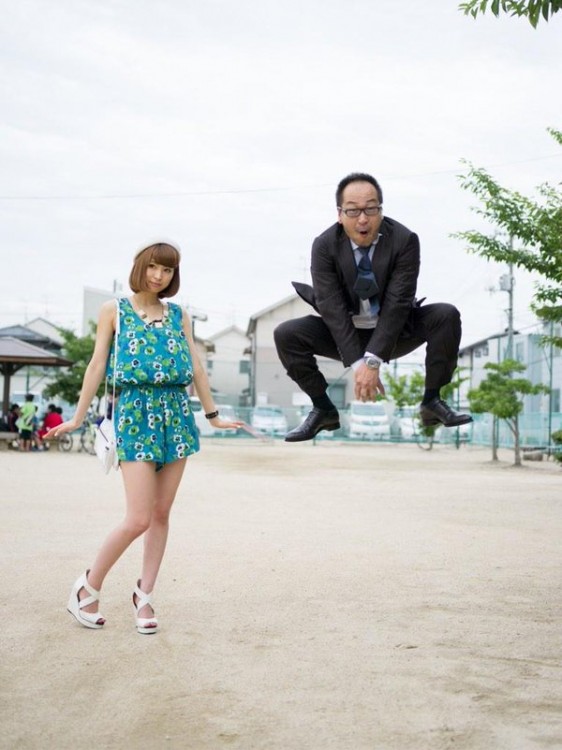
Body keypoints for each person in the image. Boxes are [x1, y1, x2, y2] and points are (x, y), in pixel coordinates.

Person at [45, 239, 242, 633]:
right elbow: (97, 364)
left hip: (176, 415)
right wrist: (78, 417)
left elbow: (197, 369)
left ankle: (145, 596)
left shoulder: (179, 315)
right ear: (140, 266)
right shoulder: (113, 310)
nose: (159, 275)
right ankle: (86, 587)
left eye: (167, 270)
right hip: (135, 415)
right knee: (137, 517)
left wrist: (213, 416)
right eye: (153, 267)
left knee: (161, 514)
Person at [274, 172, 472, 442]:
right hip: (345, 332)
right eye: (353, 211)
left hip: (395, 331)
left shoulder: (404, 240)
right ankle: (322, 409)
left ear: (380, 210)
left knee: (445, 315)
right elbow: (331, 308)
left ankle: (432, 402)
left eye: (371, 208)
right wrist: (360, 364)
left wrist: (373, 360)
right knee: (286, 333)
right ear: (340, 214)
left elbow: (398, 303)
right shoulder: (324, 245)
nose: (363, 218)